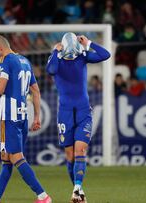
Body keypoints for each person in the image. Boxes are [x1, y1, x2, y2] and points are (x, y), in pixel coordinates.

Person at [0, 35, 52, 203]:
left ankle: (43, 196)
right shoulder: (25, 61)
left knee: (16, 157)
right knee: (6, 158)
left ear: (0, 48)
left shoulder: (5, 61)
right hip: (22, 115)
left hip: (9, 116)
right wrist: (37, 116)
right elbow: (35, 90)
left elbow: (0, 89)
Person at [46, 32, 110, 202]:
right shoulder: (57, 60)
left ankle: (77, 188)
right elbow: (50, 70)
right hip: (65, 114)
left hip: (83, 112)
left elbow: (105, 55)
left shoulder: (82, 57)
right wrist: (55, 51)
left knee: (80, 150)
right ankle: (78, 190)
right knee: (70, 156)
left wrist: (89, 43)